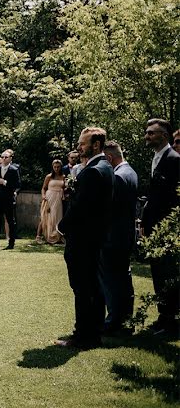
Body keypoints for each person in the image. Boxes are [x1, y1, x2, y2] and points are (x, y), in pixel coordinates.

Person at [56, 127, 114, 349]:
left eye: (83, 143)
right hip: (96, 237)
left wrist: (62, 227)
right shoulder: (105, 167)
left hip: (83, 239)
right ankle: (93, 333)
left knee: (82, 288)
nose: (79, 147)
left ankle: (83, 336)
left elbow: (80, 207)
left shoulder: (92, 172)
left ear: (96, 145)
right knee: (93, 286)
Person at [141, 118, 180, 337]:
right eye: (147, 133)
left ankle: (171, 322)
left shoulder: (174, 160)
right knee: (158, 273)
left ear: (163, 136)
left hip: (167, 229)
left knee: (167, 274)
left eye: (151, 133)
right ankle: (162, 317)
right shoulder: (156, 158)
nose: (147, 136)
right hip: (155, 228)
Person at [99, 141, 138, 334]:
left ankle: (114, 320)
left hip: (114, 237)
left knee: (112, 280)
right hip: (125, 235)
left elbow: (111, 211)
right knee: (124, 278)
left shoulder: (118, 177)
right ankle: (126, 319)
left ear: (109, 158)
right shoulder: (131, 172)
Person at [0, 149, 21, 249]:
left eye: (6, 157)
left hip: (8, 199)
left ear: (10, 159)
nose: (3, 159)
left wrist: (5, 182)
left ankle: (11, 243)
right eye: (2, 157)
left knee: (11, 221)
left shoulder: (14, 170)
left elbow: (18, 185)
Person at [38, 159, 66, 244]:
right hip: (49, 197)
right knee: (46, 216)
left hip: (58, 198)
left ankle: (57, 236)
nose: (56, 169)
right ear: (52, 167)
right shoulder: (49, 176)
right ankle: (39, 236)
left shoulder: (63, 177)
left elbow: (64, 188)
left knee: (57, 217)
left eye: (58, 167)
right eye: (55, 167)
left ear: (61, 167)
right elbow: (43, 188)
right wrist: (43, 196)